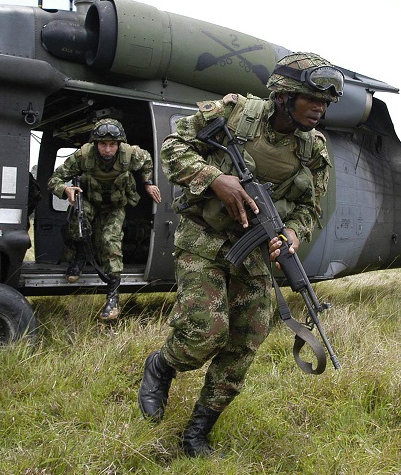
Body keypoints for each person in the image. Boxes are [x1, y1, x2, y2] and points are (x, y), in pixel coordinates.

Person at [138, 52, 342, 457]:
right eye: (310, 99)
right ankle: (161, 366)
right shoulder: (235, 113)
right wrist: (216, 180)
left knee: (245, 343)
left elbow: (309, 209)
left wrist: (291, 235)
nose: (319, 108)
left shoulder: (314, 149)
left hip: (255, 255)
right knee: (204, 334)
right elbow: (173, 146)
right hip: (205, 239)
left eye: (324, 103)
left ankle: (197, 433)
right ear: (284, 95)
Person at [48, 118, 162, 321]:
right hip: (91, 202)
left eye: (112, 144)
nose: (107, 149)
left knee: (111, 241)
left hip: (116, 206)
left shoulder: (130, 153)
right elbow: (54, 180)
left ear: (119, 144)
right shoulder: (83, 155)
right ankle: (80, 255)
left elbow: (146, 161)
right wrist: (66, 189)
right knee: (78, 226)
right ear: (95, 143)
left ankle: (113, 297)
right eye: (103, 144)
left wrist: (148, 183)